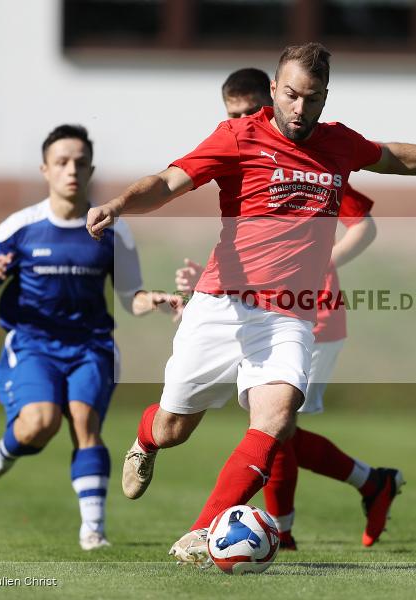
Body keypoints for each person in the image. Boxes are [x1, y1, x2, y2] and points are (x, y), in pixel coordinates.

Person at [87, 42, 416, 566]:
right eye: (290, 95)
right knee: (174, 427)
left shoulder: (337, 144)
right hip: (221, 304)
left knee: (277, 415)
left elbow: (392, 156)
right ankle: (146, 442)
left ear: (324, 98)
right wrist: (117, 204)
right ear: (273, 91)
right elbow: (168, 182)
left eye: (310, 99)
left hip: (289, 312)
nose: (299, 109)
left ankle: (202, 533)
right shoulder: (238, 135)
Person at [170, 67, 398, 550]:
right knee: (277, 427)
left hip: (309, 310)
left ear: (268, 104)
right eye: (232, 115)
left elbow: (365, 226)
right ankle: (367, 485)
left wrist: (318, 264)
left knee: (276, 424)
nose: (242, 122)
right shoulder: (243, 149)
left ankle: (290, 527)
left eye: (250, 112)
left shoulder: (314, 155)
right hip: (256, 307)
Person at [0, 124, 182, 550]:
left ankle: (93, 531)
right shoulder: (19, 227)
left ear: (91, 169)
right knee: (38, 425)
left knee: (84, 423)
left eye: (80, 162)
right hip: (33, 345)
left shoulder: (113, 229)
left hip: (90, 346)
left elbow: (130, 295)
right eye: (61, 162)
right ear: (45, 169)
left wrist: (157, 300)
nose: (71, 170)